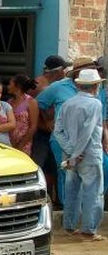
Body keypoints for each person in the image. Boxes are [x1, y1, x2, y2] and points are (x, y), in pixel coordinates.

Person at [38, 56, 99, 208]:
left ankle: (85, 210)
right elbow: (37, 103)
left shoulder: (97, 89)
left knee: (95, 172)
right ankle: (68, 212)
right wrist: (45, 123)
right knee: (67, 173)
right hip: (63, 139)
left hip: (90, 143)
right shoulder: (58, 87)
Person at [54, 68, 106, 240]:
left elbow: (58, 131)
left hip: (70, 155)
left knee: (71, 190)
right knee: (93, 191)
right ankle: (89, 229)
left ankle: (69, 225)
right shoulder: (95, 104)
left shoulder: (68, 103)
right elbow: (88, 131)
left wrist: (70, 152)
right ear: (95, 86)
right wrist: (76, 154)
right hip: (88, 155)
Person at [8, 74, 39, 156]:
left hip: (23, 145)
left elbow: (33, 127)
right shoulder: (9, 102)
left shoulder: (31, 102)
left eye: (10, 84)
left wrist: (21, 145)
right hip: (8, 143)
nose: (8, 86)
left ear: (17, 86)